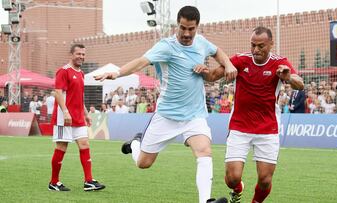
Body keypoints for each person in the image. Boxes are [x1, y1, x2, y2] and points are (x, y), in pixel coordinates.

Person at [94, 6, 237, 203]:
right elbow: (140, 62)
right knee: (143, 163)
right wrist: (118, 73)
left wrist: (228, 64)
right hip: (167, 116)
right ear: (177, 25)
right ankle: (135, 144)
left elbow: (218, 52)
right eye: (183, 28)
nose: (186, 33)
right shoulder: (165, 46)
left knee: (204, 151)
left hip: (194, 115)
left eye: (191, 29)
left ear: (197, 27)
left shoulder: (201, 42)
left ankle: (205, 201)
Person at [196, 26, 304, 203]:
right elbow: (214, 75)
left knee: (265, 180)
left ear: (271, 44)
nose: (256, 50)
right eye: (253, 45)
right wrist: (203, 70)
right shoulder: (240, 60)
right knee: (232, 179)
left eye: (261, 46)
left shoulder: (280, 63)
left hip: (268, 129)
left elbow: (300, 84)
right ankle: (238, 189)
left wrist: (288, 77)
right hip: (240, 126)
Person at [48, 44, 105, 192]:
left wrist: (86, 114)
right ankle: (54, 182)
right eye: (78, 54)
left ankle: (89, 181)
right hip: (63, 117)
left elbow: (79, 97)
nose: (81, 57)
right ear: (71, 54)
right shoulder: (63, 71)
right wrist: (66, 112)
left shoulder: (81, 74)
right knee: (61, 147)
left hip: (78, 117)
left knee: (84, 144)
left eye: (83, 54)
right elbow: (58, 93)